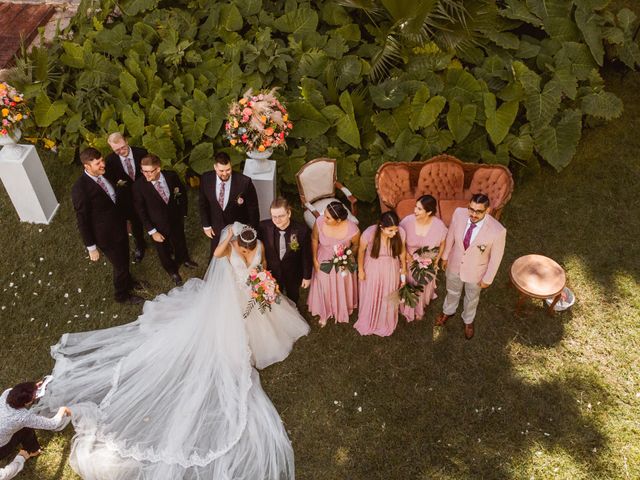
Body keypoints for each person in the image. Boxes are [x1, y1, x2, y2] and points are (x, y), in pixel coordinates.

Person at [36, 222, 309, 480]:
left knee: (261, 317)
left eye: (250, 248)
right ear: (240, 242)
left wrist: (258, 280)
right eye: (244, 247)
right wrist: (228, 242)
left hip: (251, 291)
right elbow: (217, 255)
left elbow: (258, 266)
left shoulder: (258, 246)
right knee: (232, 328)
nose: (248, 251)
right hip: (233, 295)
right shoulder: (232, 246)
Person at [71, 148, 144, 304]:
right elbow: (82, 220)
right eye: (98, 163)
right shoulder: (80, 189)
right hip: (106, 235)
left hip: (119, 226)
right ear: (87, 166)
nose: (103, 164)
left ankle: (129, 281)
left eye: (102, 160)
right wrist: (91, 248)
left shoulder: (104, 173)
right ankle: (121, 296)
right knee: (120, 266)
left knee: (124, 259)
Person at [436, 193, 507, 339]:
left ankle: (468, 320)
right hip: (455, 263)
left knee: (472, 297)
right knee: (452, 290)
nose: (473, 214)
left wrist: (488, 278)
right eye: (471, 209)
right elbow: (450, 235)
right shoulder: (459, 213)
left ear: (487, 210)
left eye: (478, 211)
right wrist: (445, 256)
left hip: (476, 272)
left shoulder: (498, 231)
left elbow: (496, 258)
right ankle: (448, 311)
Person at [133, 154, 198, 286]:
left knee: (180, 240)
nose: (146, 175)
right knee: (162, 250)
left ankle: (184, 258)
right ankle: (172, 270)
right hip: (157, 225)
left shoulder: (171, 176)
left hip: (175, 218)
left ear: (158, 169)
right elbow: (141, 211)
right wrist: (152, 231)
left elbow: (181, 193)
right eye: (143, 171)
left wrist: (183, 213)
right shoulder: (139, 186)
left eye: (149, 171)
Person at [0, 382, 71, 479]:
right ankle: (32, 450)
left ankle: (33, 449)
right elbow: (52, 424)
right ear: (27, 403)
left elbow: (18, 393)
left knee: (24, 427)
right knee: (26, 429)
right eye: (33, 398)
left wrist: (32, 389)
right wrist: (21, 458)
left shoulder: (7, 394)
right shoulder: (22, 416)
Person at [353, 212, 406, 336]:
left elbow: (402, 250)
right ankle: (369, 316)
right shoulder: (369, 233)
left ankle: (384, 318)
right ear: (382, 227)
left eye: (396, 229)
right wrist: (360, 270)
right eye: (390, 230)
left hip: (391, 267)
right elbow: (361, 251)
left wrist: (403, 267)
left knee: (388, 291)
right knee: (372, 290)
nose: (394, 233)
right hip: (373, 266)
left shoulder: (401, 233)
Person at [307, 201, 360, 326]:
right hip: (323, 257)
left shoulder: (353, 229)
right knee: (324, 284)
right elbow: (314, 239)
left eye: (328, 217)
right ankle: (324, 309)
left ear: (339, 220)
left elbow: (356, 245)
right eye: (324, 214)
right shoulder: (319, 222)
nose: (323, 218)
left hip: (343, 261)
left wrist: (347, 256)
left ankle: (341, 307)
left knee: (342, 281)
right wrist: (314, 259)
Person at [198, 152, 260, 255]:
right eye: (221, 170)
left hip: (238, 228)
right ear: (215, 167)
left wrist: (252, 230)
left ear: (231, 165)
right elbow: (203, 203)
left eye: (228, 169)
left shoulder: (244, 182)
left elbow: (253, 208)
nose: (225, 173)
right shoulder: (205, 179)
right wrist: (206, 226)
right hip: (216, 227)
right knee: (217, 256)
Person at [399, 195, 448, 322]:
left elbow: (443, 243)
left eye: (419, 209)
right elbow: (400, 240)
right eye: (416, 207)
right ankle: (409, 303)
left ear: (429, 212)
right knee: (409, 283)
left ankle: (419, 306)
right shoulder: (406, 222)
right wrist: (407, 256)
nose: (415, 211)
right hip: (408, 261)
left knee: (421, 283)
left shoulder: (439, 226)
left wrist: (437, 261)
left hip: (426, 262)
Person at [259, 198, 312, 304]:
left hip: (293, 273)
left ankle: (294, 311)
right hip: (271, 272)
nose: (277, 220)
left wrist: (307, 276)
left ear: (289, 213)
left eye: (281, 216)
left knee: (293, 296)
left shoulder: (302, 230)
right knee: (272, 297)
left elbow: (306, 256)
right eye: (274, 216)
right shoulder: (263, 227)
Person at [105, 133, 148, 263]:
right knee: (135, 223)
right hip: (127, 199)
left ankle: (163, 243)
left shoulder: (141, 153)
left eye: (123, 147)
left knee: (152, 217)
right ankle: (140, 245)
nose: (121, 151)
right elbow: (111, 180)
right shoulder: (110, 161)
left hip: (145, 194)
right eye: (117, 150)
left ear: (126, 141)